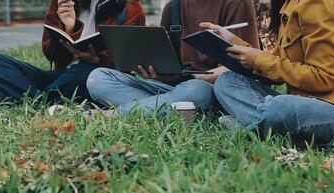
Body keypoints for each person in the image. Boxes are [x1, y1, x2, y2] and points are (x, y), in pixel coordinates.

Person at [86, 0, 260, 117]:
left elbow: (240, 68)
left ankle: (119, 114)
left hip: (213, 90)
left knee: (196, 90)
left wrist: (193, 77)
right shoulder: (174, 5)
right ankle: (172, 110)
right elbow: (171, 63)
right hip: (176, 89)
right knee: (98, 78)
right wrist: (161, 72)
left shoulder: (237, 3)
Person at [204, 0, 334, 146]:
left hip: (327, 106)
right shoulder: (289, 6)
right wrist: (232, 42)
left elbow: (325, 78)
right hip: (300, 102)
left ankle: (252, 125)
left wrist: (259, 60)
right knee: (226, 81)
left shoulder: (317, 4)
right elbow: (279, 66)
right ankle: (263, 124)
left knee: (280, 107)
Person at [0, 0, 145, 103]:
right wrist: (69, 26)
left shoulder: (130, 6)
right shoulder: (61, 2)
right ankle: (46, 101)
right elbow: (50, 54)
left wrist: (96, 61)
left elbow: (127, 64)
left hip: (93, 79)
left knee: (83, 70)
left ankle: (28, 98)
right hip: (60, 78)